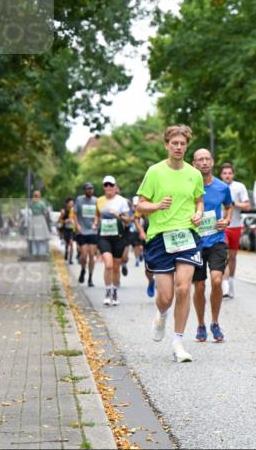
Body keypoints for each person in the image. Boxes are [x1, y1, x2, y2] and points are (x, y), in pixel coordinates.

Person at [135, 124, 204, 362]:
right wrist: (156, 206)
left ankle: (178, 343)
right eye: (174, 143)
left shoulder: (194, 174)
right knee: (165, 296)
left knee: (184, 288)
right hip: (160, 238)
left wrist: (199, 214)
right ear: (166, 145)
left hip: (187, 235)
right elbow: (140, 205)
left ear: (187, 146)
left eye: (182, 143)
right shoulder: (154, 172)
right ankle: (162, 314)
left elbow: (199, 201)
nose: (178, 147)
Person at [191, 148, 234, 342]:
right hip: (195, 242)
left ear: (213, 162)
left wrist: (226, 220)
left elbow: (228, 207)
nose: (204, 162)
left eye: (207, 159)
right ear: (194, 164)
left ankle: (215, 322)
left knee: (217, 280)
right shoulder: (189, 186)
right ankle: (200, 324)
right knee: (199, 286)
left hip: (217, 239)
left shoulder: (222, 187)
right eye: (200, 160)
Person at [95, 176, 132, 306]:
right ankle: (107, 291)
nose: (109, 187)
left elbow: (128, 220)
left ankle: (115, 291)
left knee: (116, 267)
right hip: (104, 236)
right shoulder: (99, 201)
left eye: (111, 185)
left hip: (119, 237)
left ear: (115, 187)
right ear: (103, 187)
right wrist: (96, 223)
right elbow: (98, 216)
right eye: (106, 185)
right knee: (108, 264)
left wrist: (118, 215)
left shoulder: (121, 201)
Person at [219, 162, 251, 297]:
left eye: (229, 173)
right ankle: (224, 284)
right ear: (221, 175)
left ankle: (230, 281)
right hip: (221, 226)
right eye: (225, 173)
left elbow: (247, 206)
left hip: (236, 225)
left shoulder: (239, 187)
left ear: (233, 174)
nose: (227, 176)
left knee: (232, 257)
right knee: (224, 255)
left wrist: (233, 203)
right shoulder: (217, 186)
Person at [72, 182, 99, 286]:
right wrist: (77, 225)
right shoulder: (79, 200)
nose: (90, 190)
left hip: (92, 231)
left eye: (91, 189)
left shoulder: (96, 201)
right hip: (82, 231)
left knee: (92, 255)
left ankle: (90, 278)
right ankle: (83, 269)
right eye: (88, 189)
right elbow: (74, 213)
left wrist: (96, 223)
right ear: (84, 190)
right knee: (84, 255)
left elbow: (98, 214)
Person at [27, 190, 51, 258]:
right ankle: (41, 252)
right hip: (41, 219)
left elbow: (30, 209)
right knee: (42, 237)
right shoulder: (42, 203)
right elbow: (45, 212)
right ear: (40, 196)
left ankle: (34, 252)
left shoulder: (31, 203)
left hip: (34, 219)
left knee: (34, 237)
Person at [58, 197, 76, 264]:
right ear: (67, 203)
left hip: (72, 229)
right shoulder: (64, 211)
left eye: (72, 203)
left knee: (71, 243)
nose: (72, 204)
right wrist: (65, 221)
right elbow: (59, 220)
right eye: (70, 203)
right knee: (67, 244)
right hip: (65, 229)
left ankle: (70, 259)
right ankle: (66, 252)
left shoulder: (74, 210)